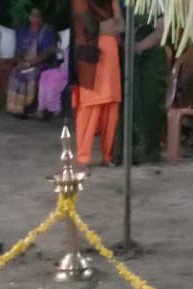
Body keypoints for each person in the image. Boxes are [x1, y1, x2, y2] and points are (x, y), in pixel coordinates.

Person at [71, 0, 124, 167]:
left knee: (112, 104)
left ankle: (107, 157)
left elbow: (121, 25)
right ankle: (83, 158)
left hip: (111, 57)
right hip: (89, 55)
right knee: (89, 105)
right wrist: (105, 26)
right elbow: (87, 27)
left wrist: (99, 27)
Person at [114, 14, 168, 164]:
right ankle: (129, 152)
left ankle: (147, 152)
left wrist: (138, 47)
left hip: (152, 59)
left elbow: (161, 31)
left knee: (149, 104)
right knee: (132, 104)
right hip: (134, 58)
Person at [6, 7, 55, 117]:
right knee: (15, 72)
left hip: (40, 64)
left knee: (31, 74)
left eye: (38, 15)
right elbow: (18, 52)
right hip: (24, 63)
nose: (35, 18)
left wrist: (29, 63)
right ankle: (15, 108)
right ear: (29, 18)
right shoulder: (23, 32)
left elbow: (46, 54)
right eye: (33, 15)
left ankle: (27, 108)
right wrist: (20, 62)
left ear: (41, 19)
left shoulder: (46, 33)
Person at [38, 32, 69, 118]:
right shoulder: (62, 46)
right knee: (44, 75)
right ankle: (42, 107)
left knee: (53, 80)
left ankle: (54, 109)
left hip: (68, 70)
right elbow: (60, 56)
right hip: (62, 68)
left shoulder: (71, 45)